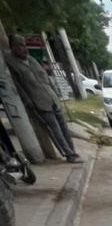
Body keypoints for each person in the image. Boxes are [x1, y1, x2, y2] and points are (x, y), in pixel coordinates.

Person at [5, 34, 81, 163]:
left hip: (52, 98)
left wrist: (56, 94)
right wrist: (28, 101)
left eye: (24, 44)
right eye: (20, 45)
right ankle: (68, 154)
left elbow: (45, 78)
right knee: (55, 130)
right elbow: (18, 86)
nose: (24, 48)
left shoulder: (32, 60)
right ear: (13, 47)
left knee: (64, 128)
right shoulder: (11, 63)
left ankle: (72, 151)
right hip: (39, 102)